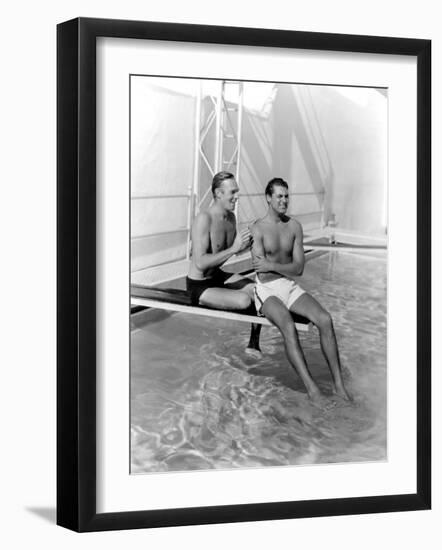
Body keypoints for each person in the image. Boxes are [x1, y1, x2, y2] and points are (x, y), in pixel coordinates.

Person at [251, 177, 351, 405]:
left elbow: (299, 268)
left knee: (325, 319)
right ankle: (313, 390)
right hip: (266, 290)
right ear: (268, 198)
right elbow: (262, 273)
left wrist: (273, 265)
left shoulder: (294, 226)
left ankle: (339, 387)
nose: (284, 201)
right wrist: (272, 268)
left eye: (286, 196)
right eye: (279, 196)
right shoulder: (258, 228)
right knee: (287, 324)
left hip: (287, 284)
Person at [187, 171, 262, 350]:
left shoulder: (231, 218)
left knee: (259, 292)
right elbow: (200, 262)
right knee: (244, 301)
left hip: (217, 276)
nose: (237, 197)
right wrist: (234, 248)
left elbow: (232, 251)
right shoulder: (204, 219)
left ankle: (254, 344)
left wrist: (248, 243)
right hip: (199, 285)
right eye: (233, 192)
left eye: (237, 192)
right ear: (219, 193)